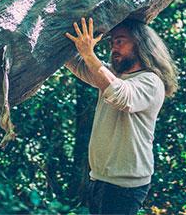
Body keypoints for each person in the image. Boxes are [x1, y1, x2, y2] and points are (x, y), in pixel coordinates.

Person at [64, 17, 178, 215]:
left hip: (125, 187)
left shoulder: (151, 82)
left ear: (140, 44)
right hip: (99, 180)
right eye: (111, 43)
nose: (113, 48)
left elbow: (121, 95)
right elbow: (81, 66)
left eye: (120, 41)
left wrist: (89, 55)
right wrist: (60, 42)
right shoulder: (115, 78)